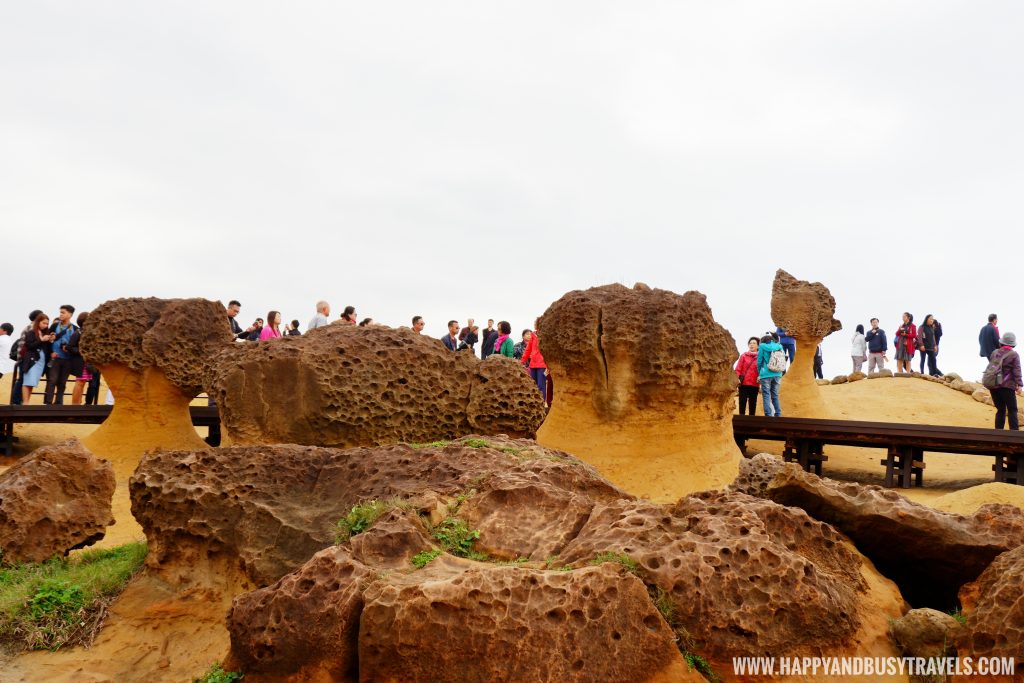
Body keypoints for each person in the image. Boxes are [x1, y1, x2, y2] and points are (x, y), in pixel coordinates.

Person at [987, 332, 1022, 431]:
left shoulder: (994, 352)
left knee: (1000, 410)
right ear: (1013, 344)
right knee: (1012, 409)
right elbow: (1017, 370)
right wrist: (1019, 384)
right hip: (1007, 386)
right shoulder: (1014, 354)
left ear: (1001, 342)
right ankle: (1014, 434)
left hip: (994, 386)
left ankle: (998, 433)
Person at [44, 305, 77, 405]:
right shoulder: (54, 326)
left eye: (63, 312)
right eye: (60, 312)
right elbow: (47, 341)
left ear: (70, 314)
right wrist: (50, 352)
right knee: (52, 380)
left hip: (68, 359)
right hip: (55, 358)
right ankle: (48, 402)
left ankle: (59, 402)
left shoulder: (75, 329)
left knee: (62, 382)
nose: (61, 314)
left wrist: (69, 349)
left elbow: (76, 345)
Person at [20, 314, 53, 405]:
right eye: (43, 323)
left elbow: (48, 348)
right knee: (27, 381)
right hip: (32, 360)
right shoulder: (31, 332)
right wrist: (41, 340)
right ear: (38, 322)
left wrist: (50, 340)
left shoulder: (45, 333)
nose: (45, 325)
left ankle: (26, 402)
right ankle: (26, 403)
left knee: (32, 382)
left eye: (47, 324)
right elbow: (30, 345)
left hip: (41, 361)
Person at [67, 312, 93, 405]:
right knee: (79, 382)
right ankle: (75, 405)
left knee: (83, 382)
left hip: (86, 363)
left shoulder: (87, 333)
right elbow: (70, 347)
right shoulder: (77, 332)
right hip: (80, 362)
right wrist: (82, 351)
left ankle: (78, 403)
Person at [757, 332, 784, 417]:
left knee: (766, 395)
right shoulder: (779, 346)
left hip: (766, 374)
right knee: (775, 394)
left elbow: (759, 361)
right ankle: (778, 414)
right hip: (777, 374)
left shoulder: (762, 346)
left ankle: (768, 415)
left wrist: (759, 372)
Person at [521, 319, 547, 397]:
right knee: (533, 385)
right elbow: (528, 349)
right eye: (534, 323)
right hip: (533, 364)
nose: (534, 324)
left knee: (541, 386)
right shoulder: (533, 335)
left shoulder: (545, 335)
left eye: (536, 323)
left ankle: (541, 404)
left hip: (542, 365)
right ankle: (534, 405)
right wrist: (522, 361)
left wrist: (548, 365)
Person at [734, 337, 760, 416]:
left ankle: (752, 419)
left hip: (754, 383)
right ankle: (742, 417)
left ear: (758, 346)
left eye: (754, 343)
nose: (751, 345)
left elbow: (761, 370)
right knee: (742, 401)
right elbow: (738, 368)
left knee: (753, 402)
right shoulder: (743, 356)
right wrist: (736, 378)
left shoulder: (760, 357)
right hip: (744, 383)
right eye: (750, 343)